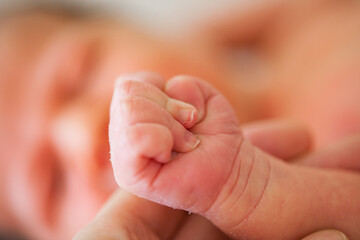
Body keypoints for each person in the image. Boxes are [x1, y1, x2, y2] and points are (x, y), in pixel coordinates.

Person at [0, 1, 359, 239]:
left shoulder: (295, 31)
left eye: (81, 74)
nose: (85, 135)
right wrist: (246, 191)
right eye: (54, 183)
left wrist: (207, 38)